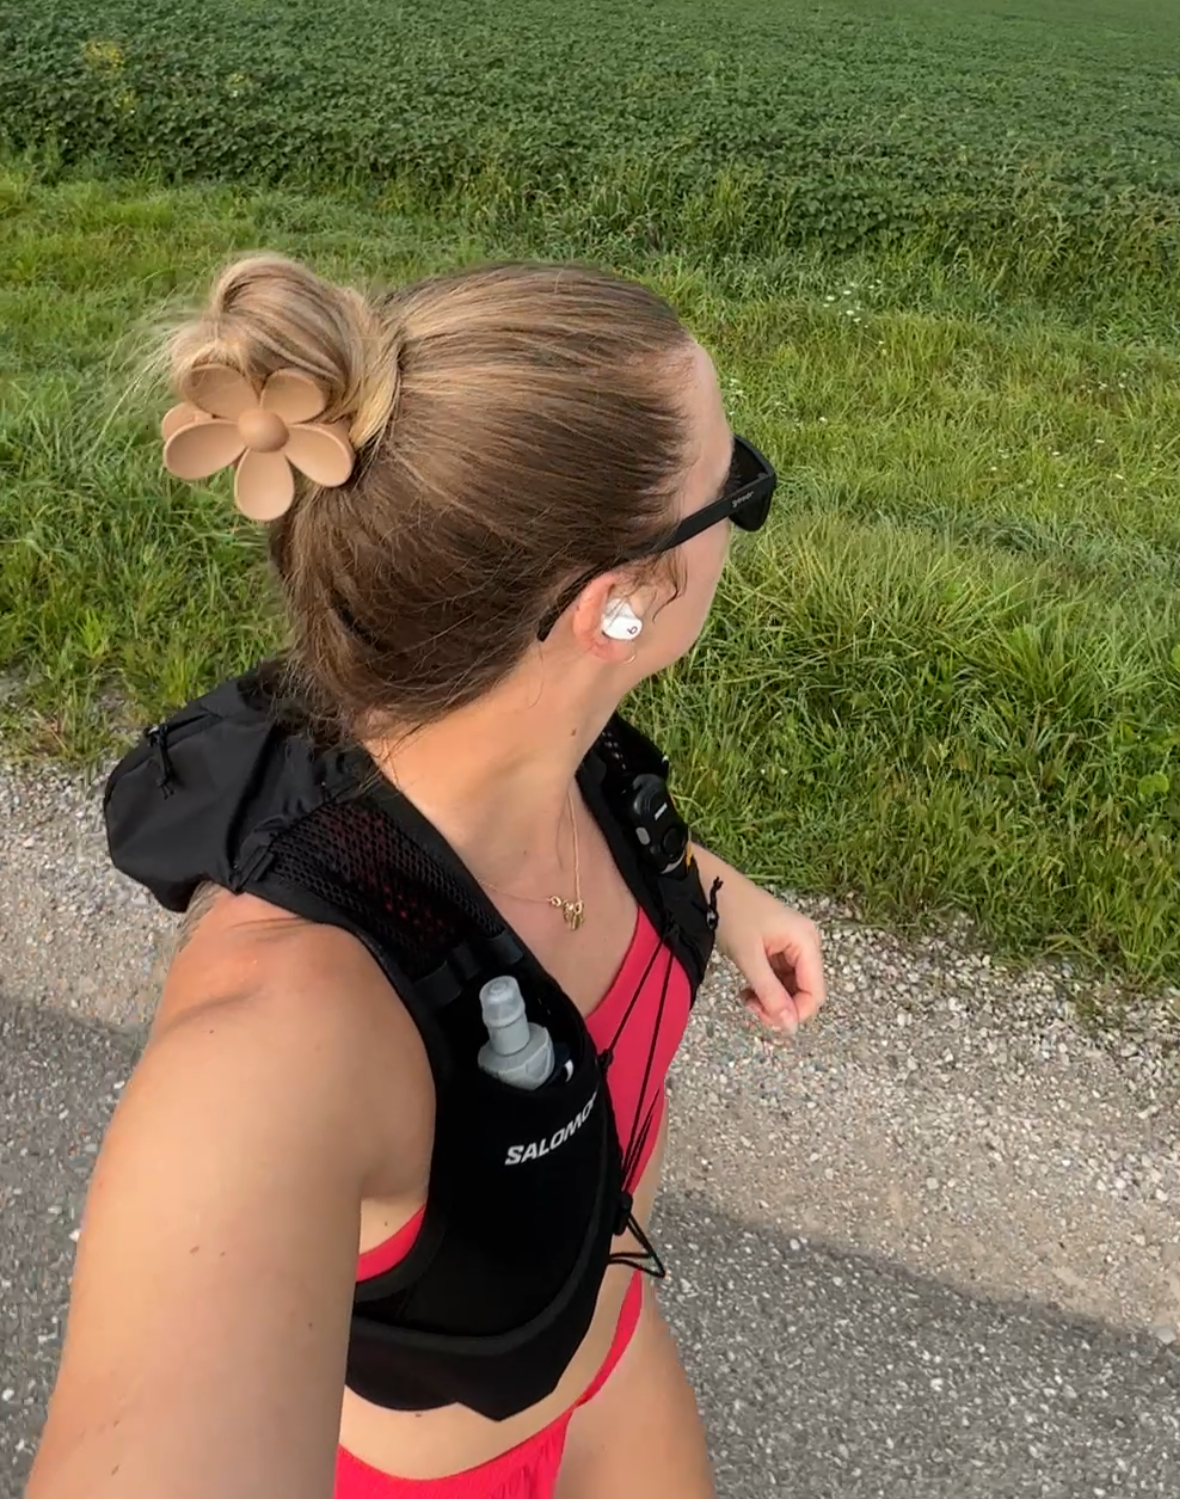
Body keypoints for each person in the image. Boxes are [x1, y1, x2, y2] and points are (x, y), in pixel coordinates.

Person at [27, 255, 826, 1499]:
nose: (741, 513)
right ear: (621, 602)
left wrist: (719, 895)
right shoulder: (281, 1038)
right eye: (741, 487)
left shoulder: (555, 743)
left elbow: (581, 835)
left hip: (613, 1362)